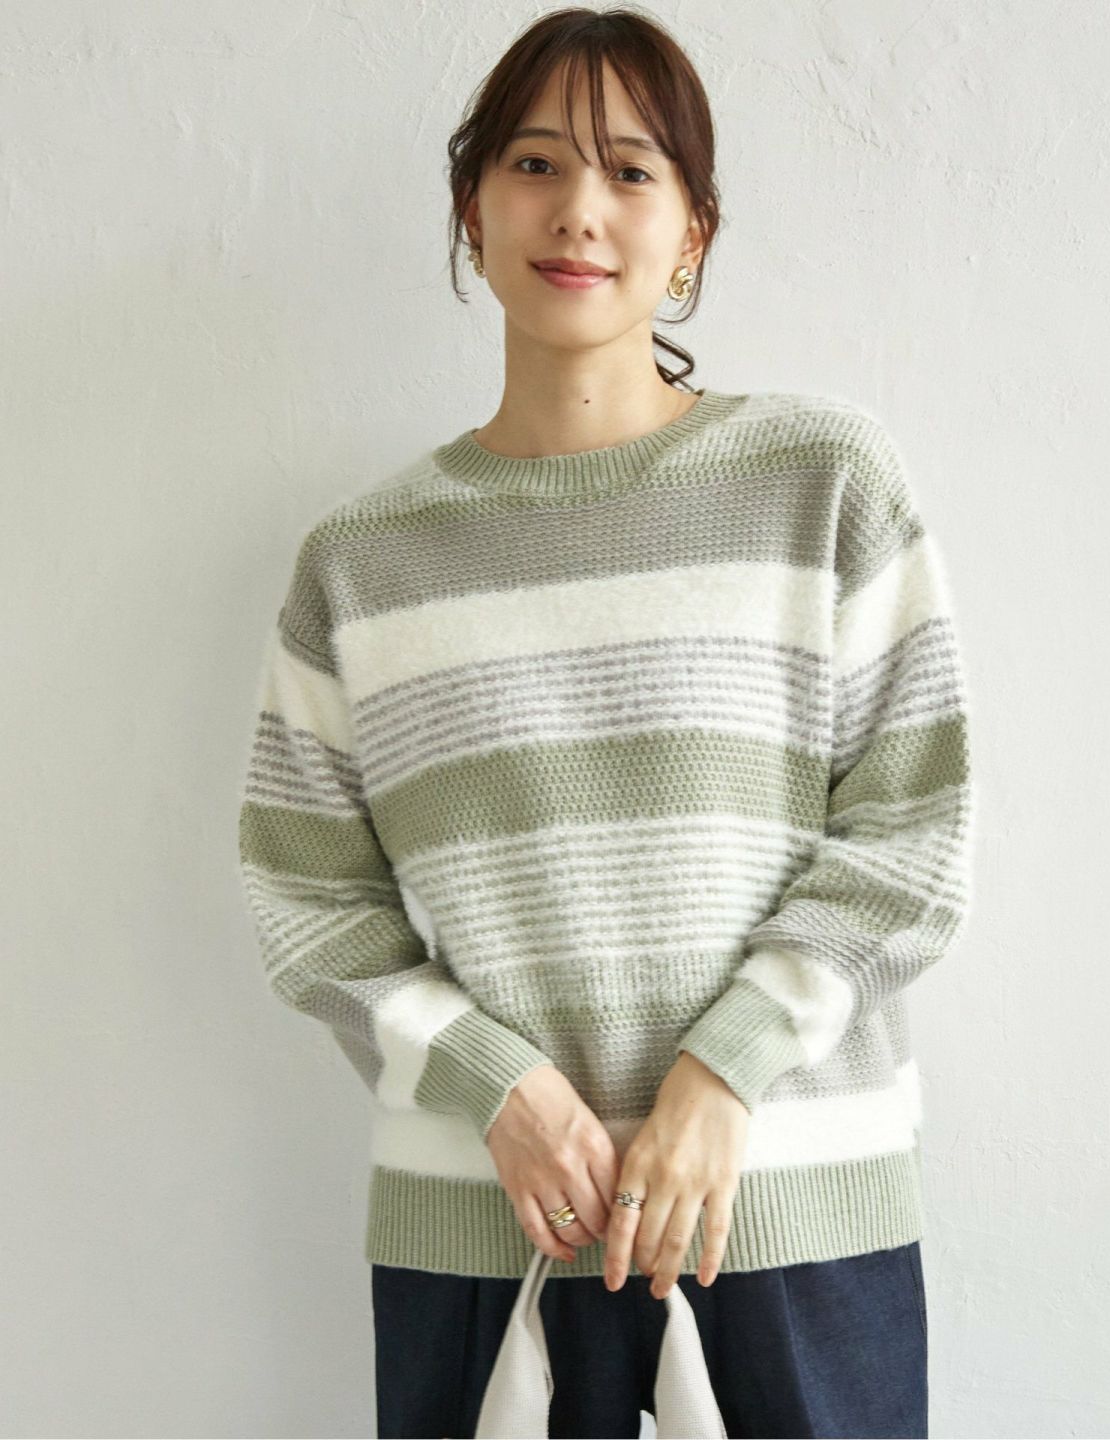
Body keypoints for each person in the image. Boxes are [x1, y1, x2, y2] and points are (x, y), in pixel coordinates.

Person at [237, 8, 974, 1437]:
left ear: (694, 229)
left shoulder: (821, 481)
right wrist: (497, 1087)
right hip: (485, 1223)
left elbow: (914, 833)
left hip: (785, 1208)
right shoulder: (361, 562)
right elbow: (308, 901)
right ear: (472, 209)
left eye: (632, 170)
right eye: (533, 163)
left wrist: (722, 1071)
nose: (579, 208)